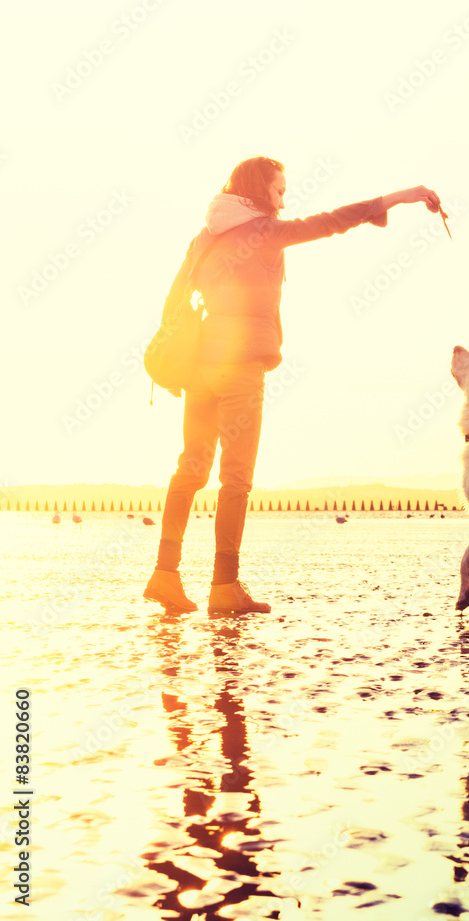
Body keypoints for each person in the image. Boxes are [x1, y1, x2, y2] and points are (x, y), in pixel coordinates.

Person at [143, 155, 442, 615]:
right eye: (279, 191)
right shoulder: (264, 230)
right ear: (261, 191)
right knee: (235, 479)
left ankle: (165, 574)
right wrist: (399, 197)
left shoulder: (205, 236)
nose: (284, 200)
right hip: (240, 367)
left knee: (191, 468)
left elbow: (171, 299)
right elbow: (331, 222)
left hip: (201, 366)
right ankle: (224, 587)